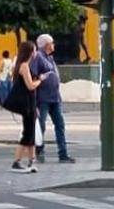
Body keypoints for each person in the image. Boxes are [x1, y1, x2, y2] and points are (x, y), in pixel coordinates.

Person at [31, 34, 74, 163]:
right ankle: (39, 149)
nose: (54, 44)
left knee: (60, 125)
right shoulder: (38, 57)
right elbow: (33, 76)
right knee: (41, 125)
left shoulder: (50, 58)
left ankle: (63, 153)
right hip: (42, 98)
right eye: (52, 42)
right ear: (46, 45)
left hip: (55, 98)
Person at [7, 39, 42, 173]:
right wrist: (40, 80)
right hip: (27, 104)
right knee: (27, 134)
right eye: (34, 50)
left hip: (30, 103)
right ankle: (17, 161)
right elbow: (30, 85)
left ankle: (32, 160)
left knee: (30, 133)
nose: (35, 52)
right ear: (30, 52)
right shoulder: (24, 66)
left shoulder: (24, 65)